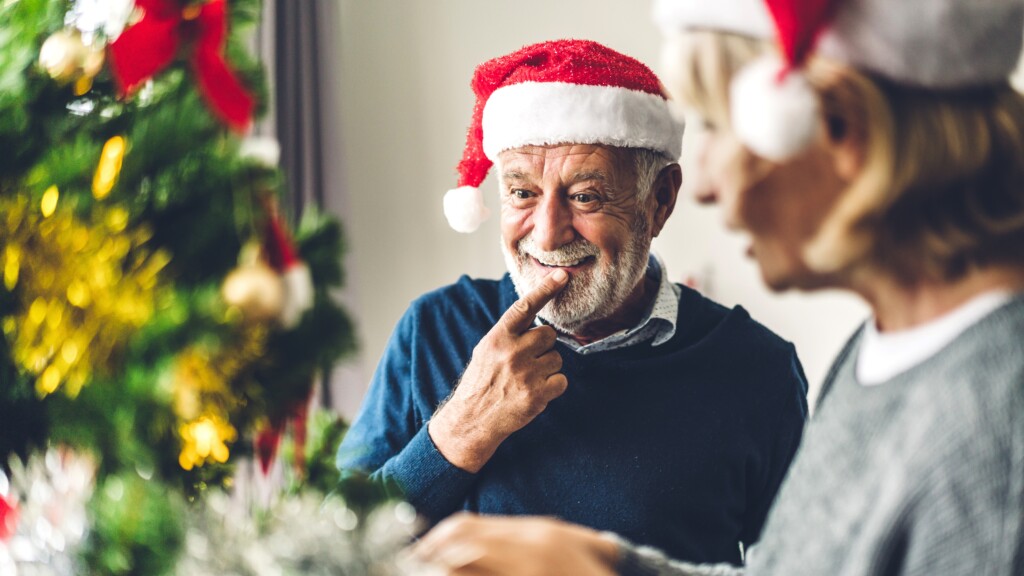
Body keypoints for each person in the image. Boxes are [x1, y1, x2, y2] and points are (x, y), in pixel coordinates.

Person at [411, 0, 1024, 574]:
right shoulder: (888, 350)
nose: (703, 185)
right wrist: (610, 563)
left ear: (839, 125)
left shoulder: (995, 419)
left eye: (718, 125)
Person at [337, 39, 809, 565]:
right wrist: (459, 432)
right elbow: (325, 550)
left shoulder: (756, 368)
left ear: (660, 200)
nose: (547, 233)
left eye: (585, 196)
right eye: (522, 194)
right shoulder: (433, 329)